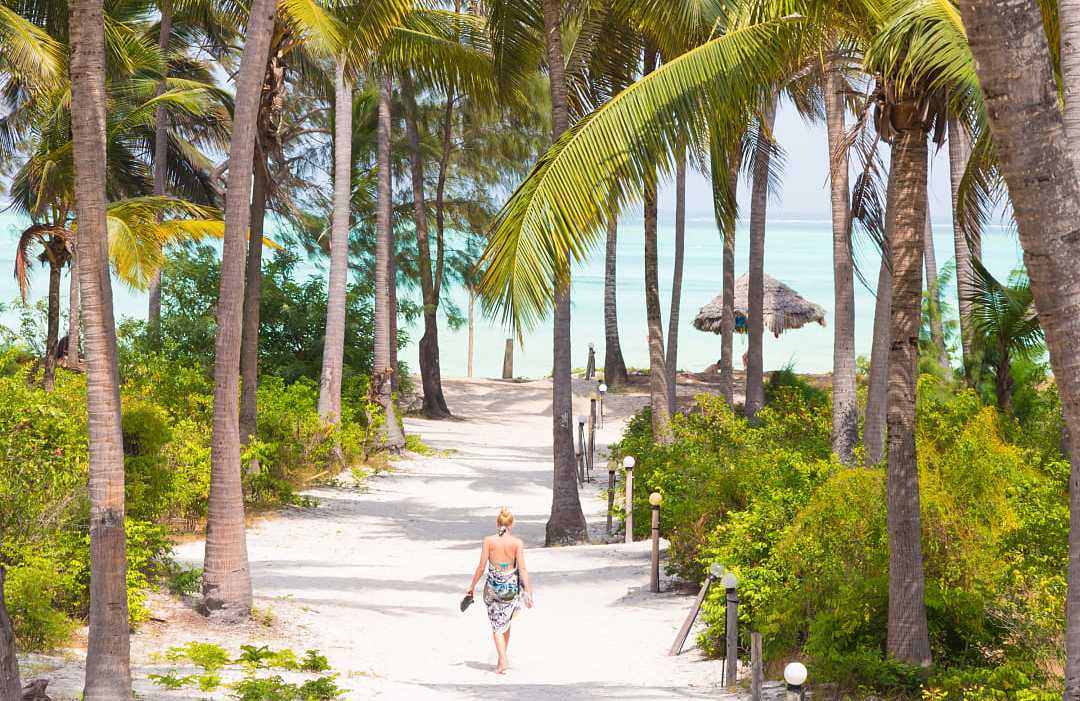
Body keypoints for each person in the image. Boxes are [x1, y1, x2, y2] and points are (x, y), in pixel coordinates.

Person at [466, 507, 533, 674]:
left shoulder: (488, 541)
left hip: (493, 588)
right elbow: (522, 569)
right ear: (512, 524)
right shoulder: (517, 543)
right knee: (506, 622)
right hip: (511, 588)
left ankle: (502, 659)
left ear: (497, 523)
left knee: (497, 625)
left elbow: (482, 567)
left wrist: (472, 586)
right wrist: (529, 592)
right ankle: (502, 657)